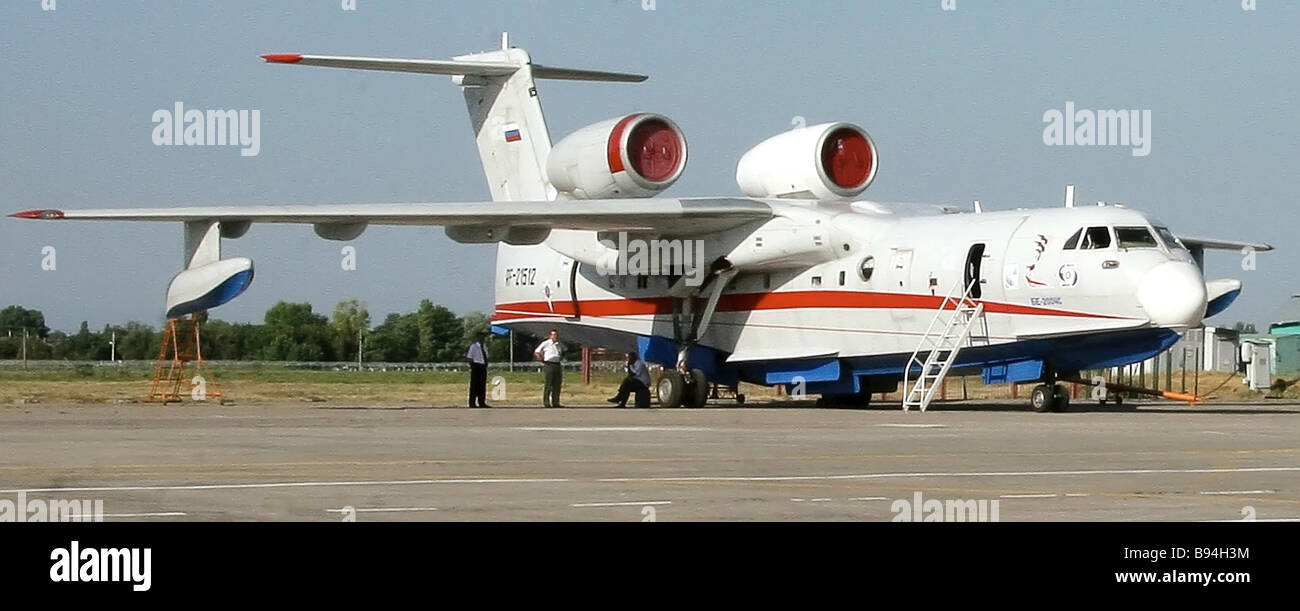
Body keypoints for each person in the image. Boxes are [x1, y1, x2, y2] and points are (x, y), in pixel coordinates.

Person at [533, 329, 564, 408]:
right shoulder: (546, 343)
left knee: (557, 384)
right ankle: (546, 402)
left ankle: (556, 402)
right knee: (548, 384)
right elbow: (537, 352)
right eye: (553, 335)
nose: (555, 336)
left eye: (556, 335)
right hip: (549, 364)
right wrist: (542, 359)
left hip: (557, 364)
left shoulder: (559, 344)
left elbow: (562, 352)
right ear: (550, 336)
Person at [466, 332, 490, 408]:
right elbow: (469, 357)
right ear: (478, 338)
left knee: (482, 386)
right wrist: (473, 366)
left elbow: (486, 356)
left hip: (483, 367)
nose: (482, 339)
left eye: (483, 338)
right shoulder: (473, 347)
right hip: (476, 366)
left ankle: (481, 402)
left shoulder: (485, 347)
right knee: (474, 386)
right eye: (481, 338)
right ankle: (472, 403)